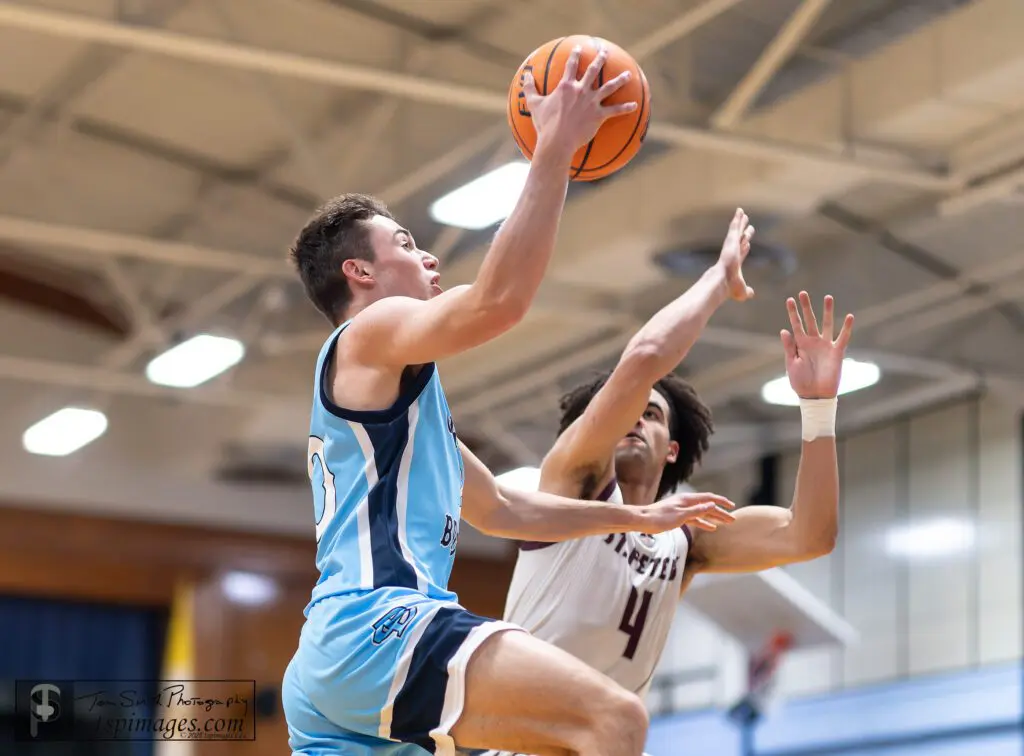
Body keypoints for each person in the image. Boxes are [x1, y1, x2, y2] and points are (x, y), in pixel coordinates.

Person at [280, 45, 738, 756]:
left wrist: (637, 513)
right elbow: (498, 303)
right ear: (359, 272)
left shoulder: (397, 406)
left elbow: (504, 510)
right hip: (377, 626)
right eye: (406, 243)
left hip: (333, 662)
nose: (429, 257)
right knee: (614, 722)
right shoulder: (367, 334)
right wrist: (554, 147)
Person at [494, 208, 855, 715]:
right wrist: (717, 280)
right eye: (626, 411)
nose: (635, 419)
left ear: (672, 449)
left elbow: (809, 536)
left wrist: (818, 408)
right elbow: (643, 360)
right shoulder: (572, 483)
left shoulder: (685, 536)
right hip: (524, 743)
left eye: (652, 414)